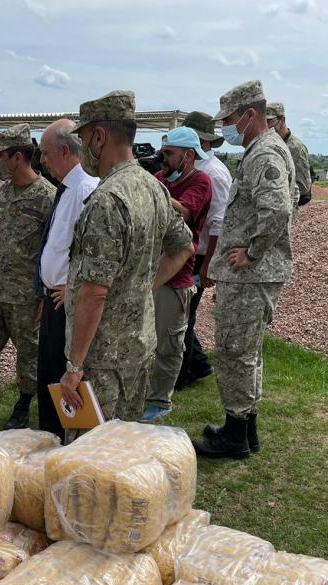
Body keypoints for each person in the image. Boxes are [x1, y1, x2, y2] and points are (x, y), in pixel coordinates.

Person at [59, 90, 194, 421]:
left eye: (85, 138)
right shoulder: (153, 188)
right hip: (138, 347)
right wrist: (141, 287)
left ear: (100, 136)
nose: (82, 150)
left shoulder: (107, 200)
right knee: (124, 454)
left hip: (101, 359)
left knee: (88, 460)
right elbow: (184, 247)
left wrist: (74, 367)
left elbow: (94, 291)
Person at [193, 80, 298, 459]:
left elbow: (278, 210)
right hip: (254, 272)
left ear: (249, 114)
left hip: (252, 273)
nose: (226, 127)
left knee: (235, 351)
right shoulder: (263, 149)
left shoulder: (264, 154)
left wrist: (252, 252)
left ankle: (235, 434)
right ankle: (244, 428)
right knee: (247, 351)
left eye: (230, 119)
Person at [0, 123, 56, 429]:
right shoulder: (1, 194)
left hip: (26, 295)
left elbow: (56, 251)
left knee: (29, 353)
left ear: (17, 157)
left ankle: (23, 405)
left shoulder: (48, 198)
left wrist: (45, 292)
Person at [141, 127, 213, 422]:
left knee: (169, 342)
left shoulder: (201, 181)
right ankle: (144, 392)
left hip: (177, 276)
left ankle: (160, 401)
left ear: (189, 155)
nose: (163, 159)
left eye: (169, 154)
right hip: (151, 271)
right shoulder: (160, 180)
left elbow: (184, 212)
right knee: (147, 341)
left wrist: (153, 188)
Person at [34, 118, 99, 441]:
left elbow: (94, 252)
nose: (42, 160)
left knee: (62, 381)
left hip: (68, 305)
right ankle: (50, 439)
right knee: (46, 376)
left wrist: (71, 288)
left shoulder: (86, 191)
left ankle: (64, 443)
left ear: (63, 150)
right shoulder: (66, 190)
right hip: (53, 299)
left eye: (45, 153)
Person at [176, 110, 233, 389]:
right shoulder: (196, 171)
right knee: (183, 311)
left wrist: (208, 265)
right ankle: (198, 364)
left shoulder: (215, 174)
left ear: (203, 143)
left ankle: (182, 375)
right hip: (192, 252)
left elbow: (219, 225)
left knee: (185, 315)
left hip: (201, 255)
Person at [266, 101, 312, 207]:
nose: (267, 126)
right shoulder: (271, 143)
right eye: (265, 122)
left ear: (282, 120)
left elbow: (303, 188)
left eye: (270, 121)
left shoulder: (295, 148)